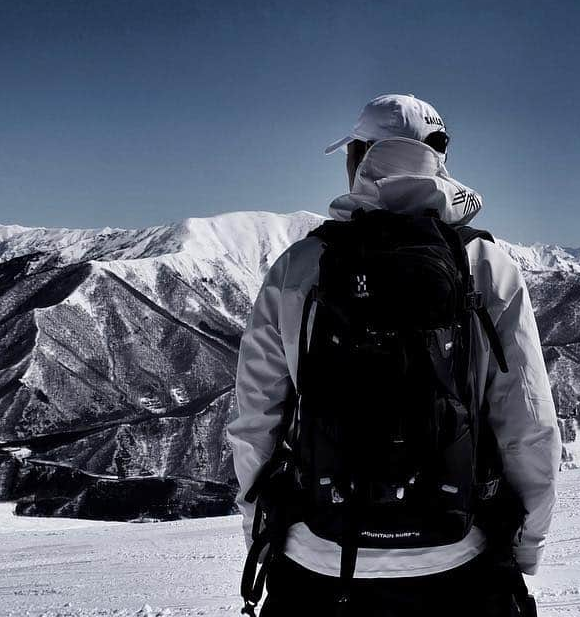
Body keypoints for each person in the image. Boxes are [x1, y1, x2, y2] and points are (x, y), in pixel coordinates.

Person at [228, 94, 560, 616]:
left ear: (355, 159)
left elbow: (254, 422)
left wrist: (264, 533)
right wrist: (524, 548)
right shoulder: (485, 266)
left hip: (319, 556)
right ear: (440, 157)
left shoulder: (299, 266)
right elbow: (530, 425)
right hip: (456, 556)